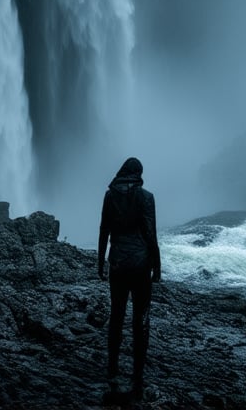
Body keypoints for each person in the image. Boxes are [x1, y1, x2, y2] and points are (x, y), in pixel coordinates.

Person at [98, 156, 161, 396]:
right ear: (139, 174)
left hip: (117, 264)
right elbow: (150, 233)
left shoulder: (110, 195)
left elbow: (104, 229)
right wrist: (157, 267)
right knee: (141, 320)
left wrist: (100, 263)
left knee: (116, 315)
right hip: (141, 265)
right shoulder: (146, 197)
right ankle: (138, 376)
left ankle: (112, 369)